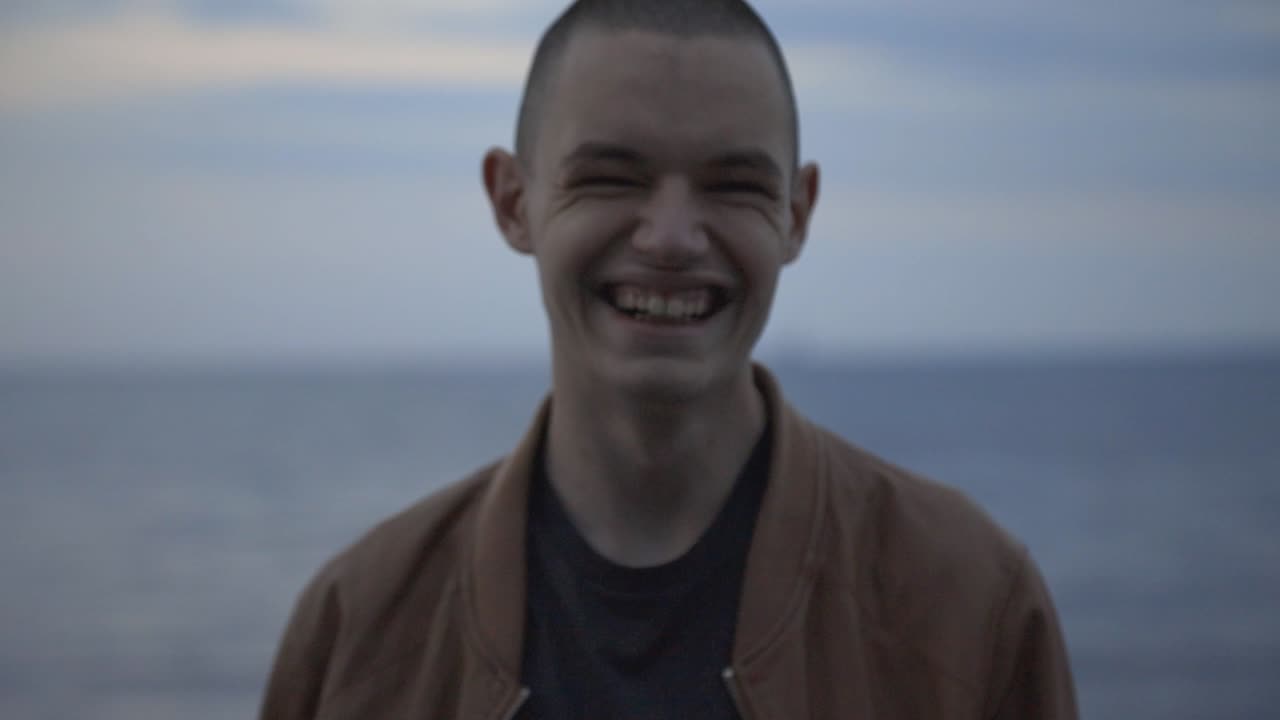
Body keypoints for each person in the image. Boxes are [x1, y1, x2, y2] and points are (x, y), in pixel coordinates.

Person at [259, 1, 1079, 718]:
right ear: (514, 203)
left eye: (733, 186)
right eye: (613, 177)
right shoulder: (359, 629)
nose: (673, 238)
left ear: (797, 215)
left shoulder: (967, 602)